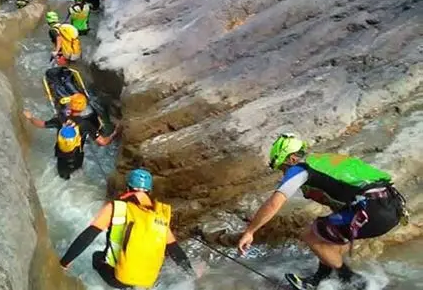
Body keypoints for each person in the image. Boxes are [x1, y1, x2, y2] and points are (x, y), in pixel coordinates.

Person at [237, 133, 407, 290]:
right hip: (391, 207)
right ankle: (320, 279)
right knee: (326, 234)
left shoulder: (301, 169)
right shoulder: (323, 161)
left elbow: (274, 203)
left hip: (373, 210)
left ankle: (353, 282)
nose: (283, 173)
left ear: (292, 158)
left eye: (282, 167)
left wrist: (250, 231)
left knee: (310, 234)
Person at [59, 168, 202, 288]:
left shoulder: (116, 207)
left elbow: (87, 236)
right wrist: (192, 274)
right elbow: (175, 251)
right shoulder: (159, 216)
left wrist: (64, 262)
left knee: (96, 257)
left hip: (118, 278)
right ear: (149, 191)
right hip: (148, 281)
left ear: (128, 187)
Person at [22, 93, 119, 179]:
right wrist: (114, 134)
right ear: (83, 108)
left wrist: (30, 118)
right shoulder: (86, 124)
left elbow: (41, 124)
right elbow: (102, 142)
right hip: (77, 157)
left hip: (62, 157)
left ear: (70, 106)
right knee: (77, 175)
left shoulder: (60, 119)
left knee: (63, 177)